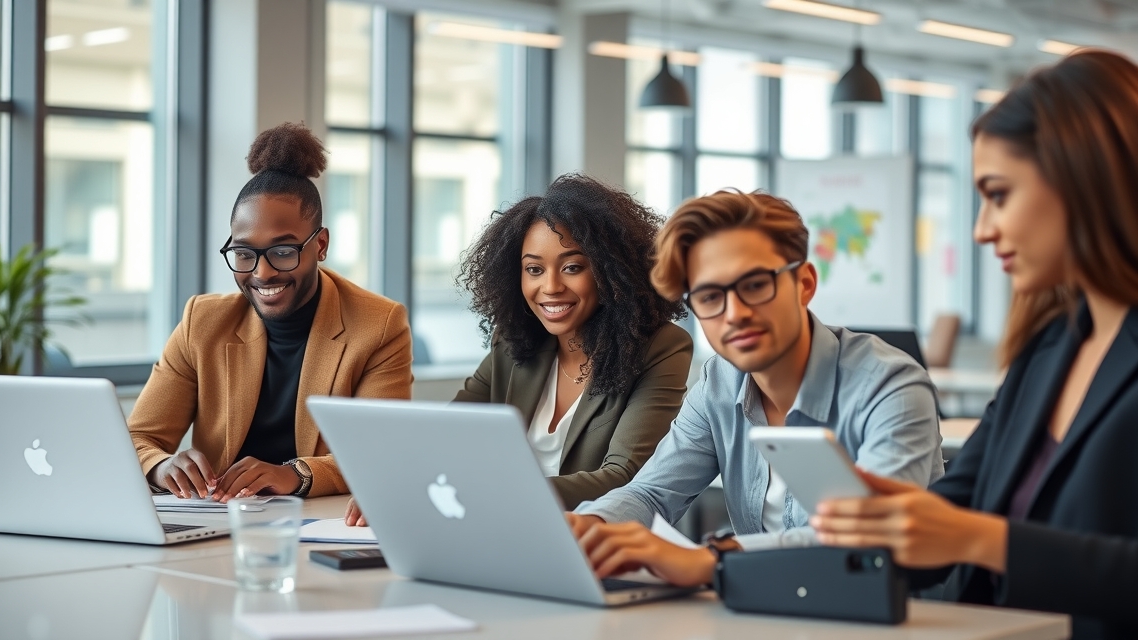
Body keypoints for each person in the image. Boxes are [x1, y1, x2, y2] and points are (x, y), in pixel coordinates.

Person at [810, 50, 1138, 639]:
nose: (983, 229)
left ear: (1083, 181)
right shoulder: (1050, 349)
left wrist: (983, 540)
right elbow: (956, 512)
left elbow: (978, 534)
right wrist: (891, 519)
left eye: (999, 195)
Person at [566, 189, 944, 587]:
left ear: (804, 283)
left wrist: (713, 560)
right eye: (710, 297)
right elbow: (651, 494)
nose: (735, 314)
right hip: (759, 615)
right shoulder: (719, 384)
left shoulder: (890, 387)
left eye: (755, 285)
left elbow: (874, 539)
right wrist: (590, 525)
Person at [344, 173, 692, 525]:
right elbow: (447, 435)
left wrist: (494, 493)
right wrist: (393, 483)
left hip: (591, 539)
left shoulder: (661, 349)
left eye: (572, 267)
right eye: (534, 269)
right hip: (494, 528)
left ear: (611, 271)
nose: (550, 286)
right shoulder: (513, 342)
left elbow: (624, 476)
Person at [129, 122, 412, 502]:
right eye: (244, 254)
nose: (262, 273)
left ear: (321, 244)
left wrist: (293, 475)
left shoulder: (378, 325)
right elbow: (138, 437)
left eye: (282, 252)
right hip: (220, 522)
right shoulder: (203, 321)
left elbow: (382, 453)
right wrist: (161, 466)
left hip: (318, 523)